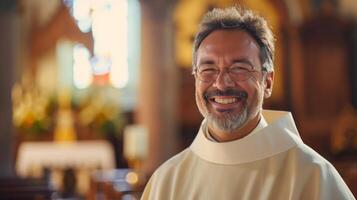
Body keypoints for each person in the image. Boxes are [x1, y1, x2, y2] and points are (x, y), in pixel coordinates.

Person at [141, 7, 355, 200]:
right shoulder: (167, 181)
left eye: (240, 68)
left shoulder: (311, 175)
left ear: (268, 82)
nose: (222, 83)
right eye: (208, 69)